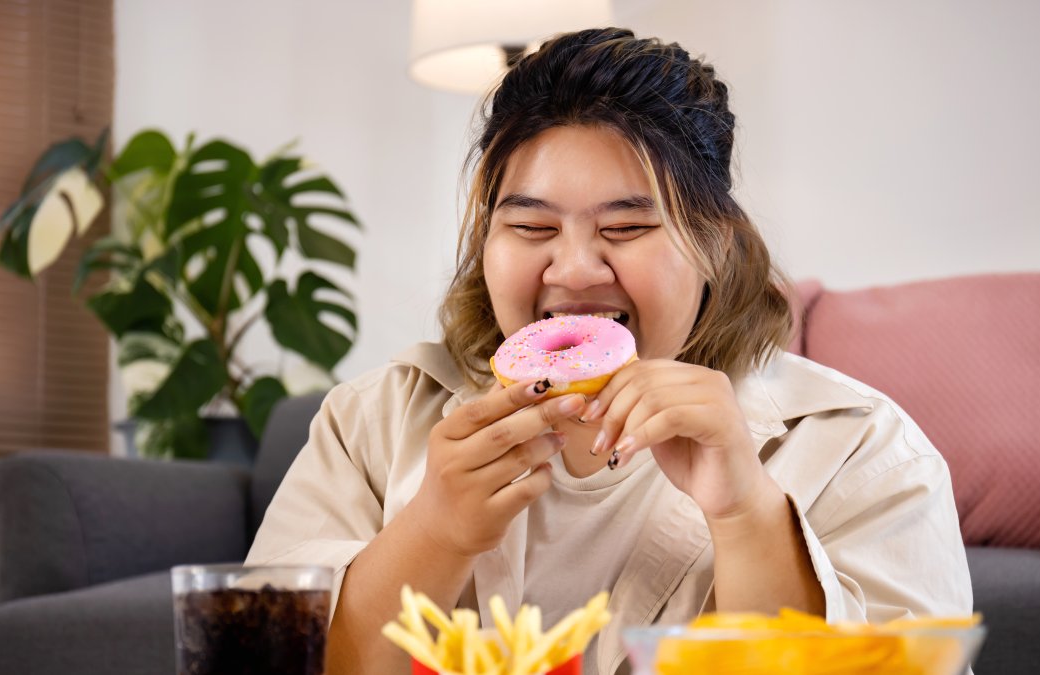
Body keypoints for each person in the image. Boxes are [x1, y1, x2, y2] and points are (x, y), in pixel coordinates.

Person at [246, 27, 973, 675]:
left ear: (717, 245)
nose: (573, 270)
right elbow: (261, 655)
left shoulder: (865, 450)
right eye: (531, 228)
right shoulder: (368, 424)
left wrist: (747, 513)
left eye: (625, 229)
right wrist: (434, 531)